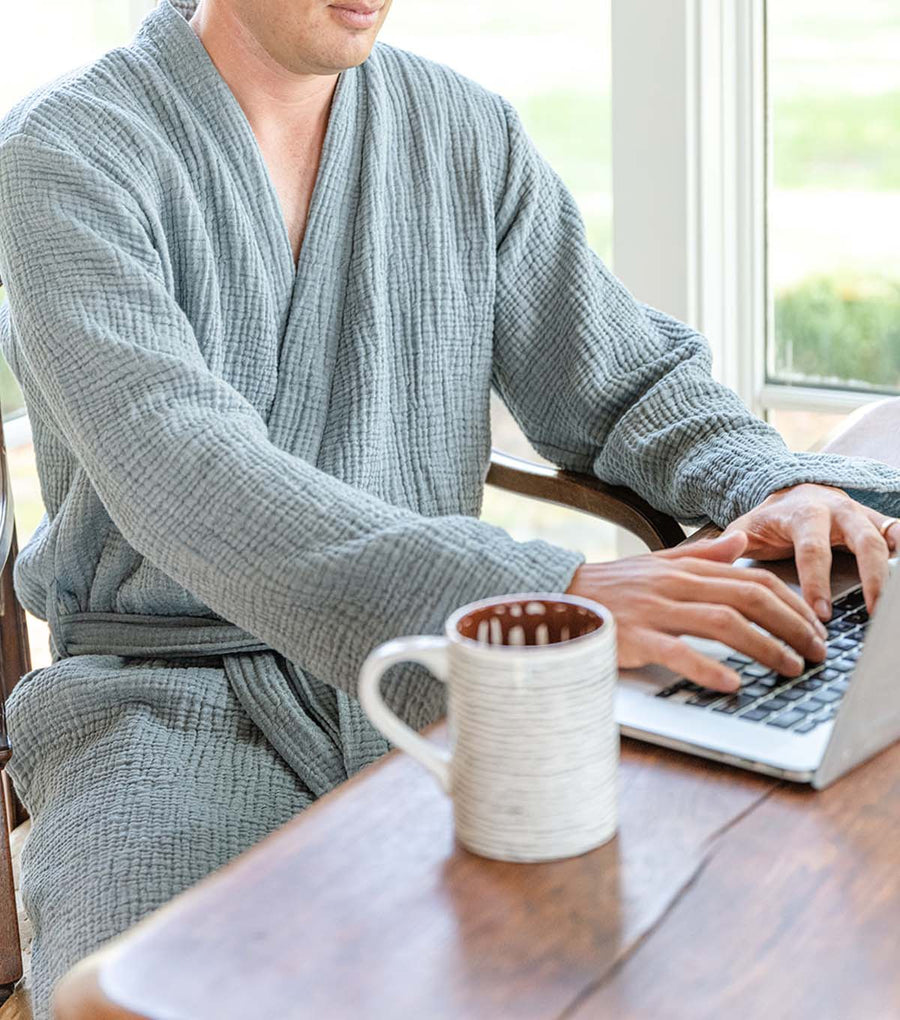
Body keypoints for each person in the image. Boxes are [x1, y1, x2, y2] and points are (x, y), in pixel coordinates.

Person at [0, 0, 897, 1013]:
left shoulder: (464, 132)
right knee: (144, 998)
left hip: (448, 691)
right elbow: (184, 469)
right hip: (165, 710)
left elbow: (626, 383)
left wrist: (771, 483)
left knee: (680, 950)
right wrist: (551, 591)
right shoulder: (67, 153)